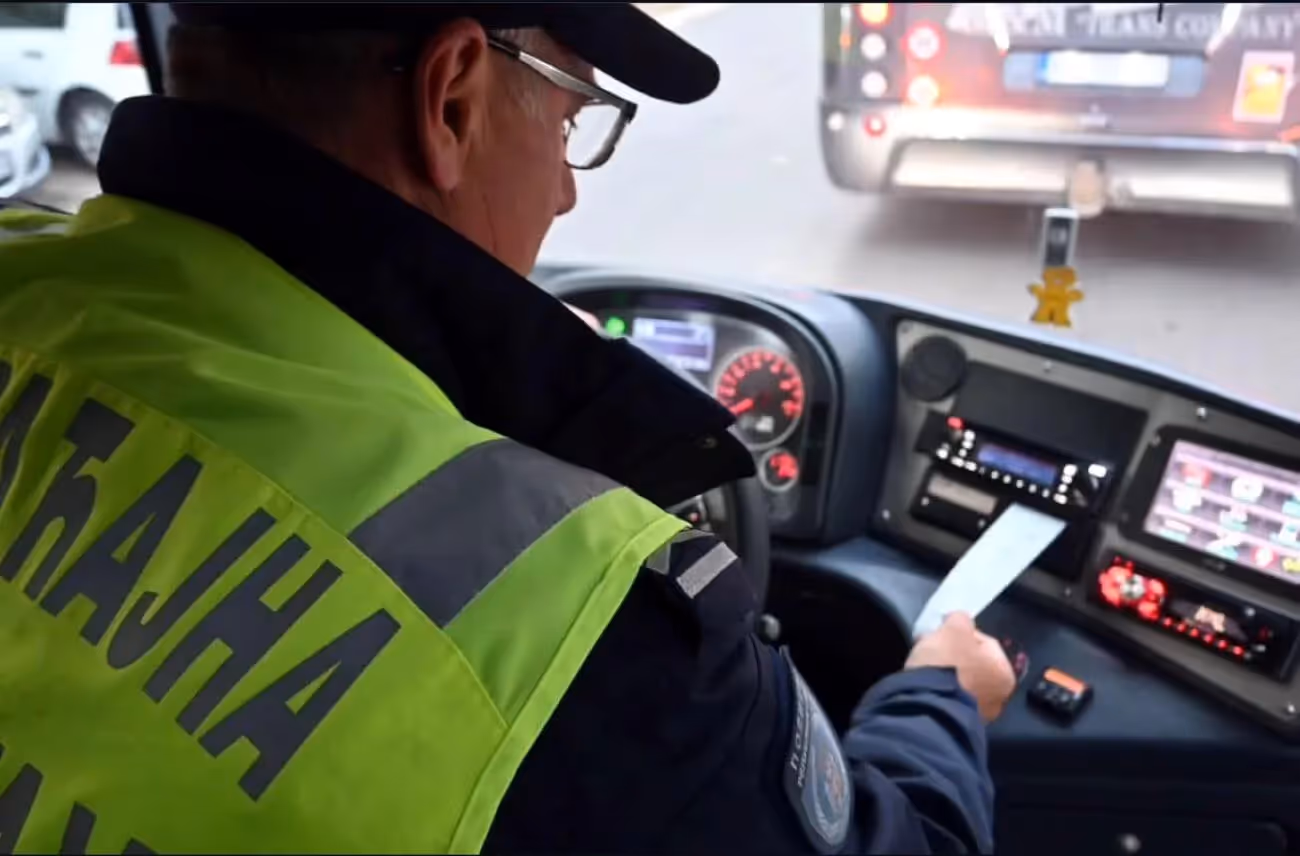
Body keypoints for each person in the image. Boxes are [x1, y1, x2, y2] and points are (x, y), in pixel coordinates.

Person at [0, 4, 1015, 853]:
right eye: (570, 124)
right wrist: (939, 697)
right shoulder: (593, 628)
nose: (566, 191)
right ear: (449, 99)